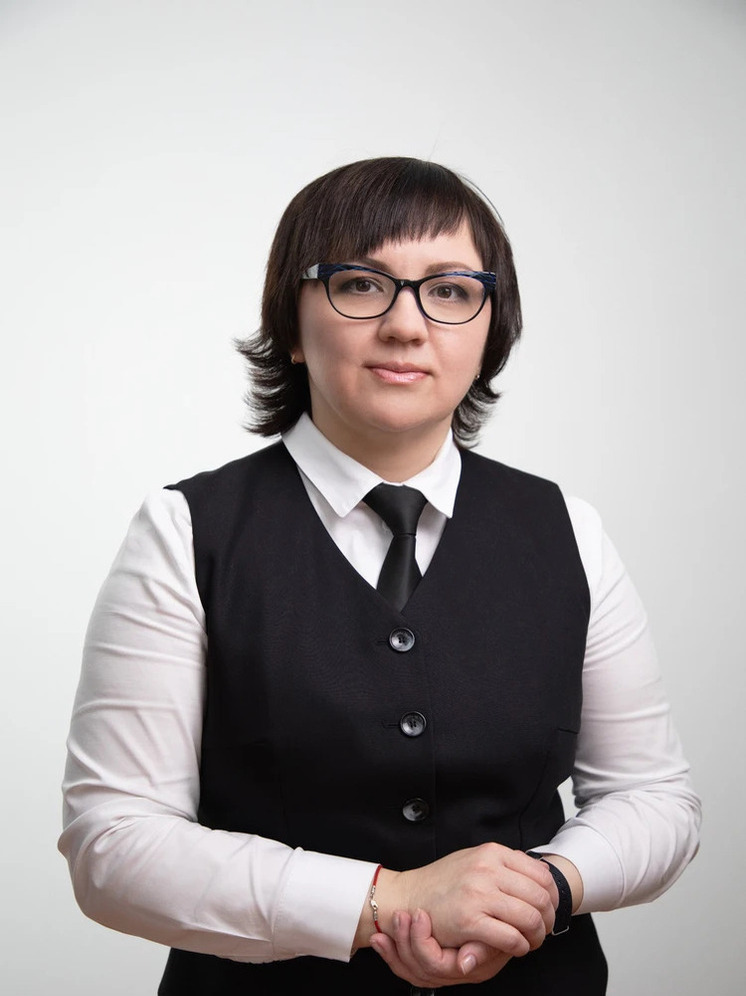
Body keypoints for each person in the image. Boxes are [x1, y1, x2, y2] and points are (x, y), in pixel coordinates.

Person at [59, 157, 701, 994]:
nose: (406, 325)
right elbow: (113, 844)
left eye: (450, 290)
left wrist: (542, 888)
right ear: (292, 324)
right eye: (361, 285)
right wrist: (384, 901)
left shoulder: (568, 530)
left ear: (489, 328)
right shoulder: (184, 531)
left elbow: (656, 798)